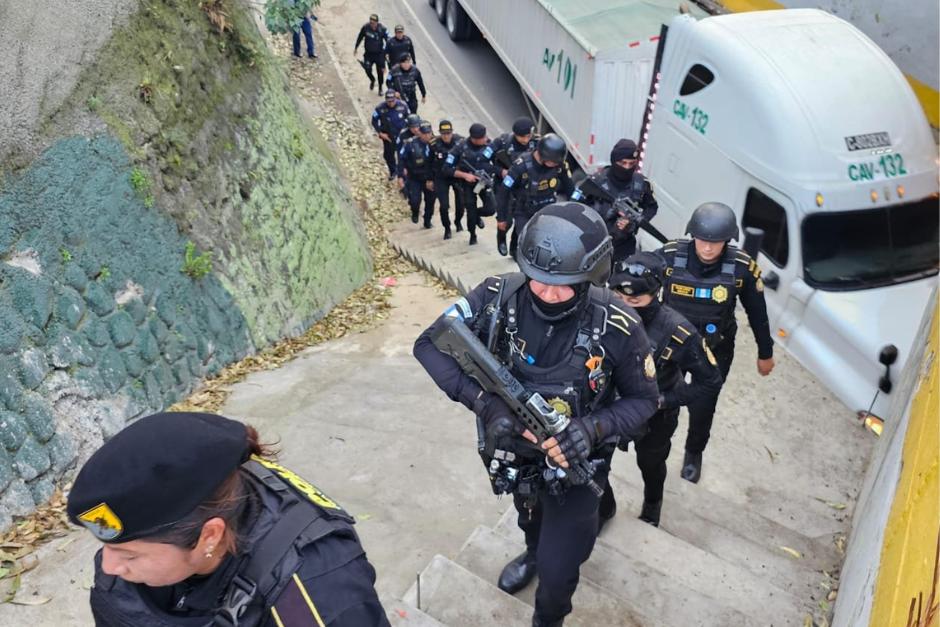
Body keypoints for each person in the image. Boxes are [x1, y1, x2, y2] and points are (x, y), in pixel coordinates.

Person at [414, 203, 659, 626]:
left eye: (562, 285)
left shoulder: (619, 326)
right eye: (538, 280)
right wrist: (485, 403)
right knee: (528, 518)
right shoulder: (497, 295)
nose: (546, 293)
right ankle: (530, 551)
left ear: (590, 277)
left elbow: (645, 401)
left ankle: (548, 616)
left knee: (560, 570)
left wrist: (591, 428)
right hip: (514, 452)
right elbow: (428, 344)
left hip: (578, 464)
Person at [66, 412, 389, 626]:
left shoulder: (316, 594)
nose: (108, 566)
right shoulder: (158, 524)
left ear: (210, 536)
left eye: (129, 555)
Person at [655, 202, 775, 483]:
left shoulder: (742, 268)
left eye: (716, 242)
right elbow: (639, 282)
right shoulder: (671, 257)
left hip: (713, 350)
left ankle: (693, 452)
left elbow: (758, 314)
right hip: (671, 347)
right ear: (692, 235)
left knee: (703, 406)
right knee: (663, 399)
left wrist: (765, 352)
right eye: (703, 240)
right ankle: (659, 445)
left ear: (728, 240)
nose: (708, 248)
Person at [602, 252, 723, 527]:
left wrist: (666, 400)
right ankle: (604, 508)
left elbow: (710, 380)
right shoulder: (604, 309)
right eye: (619, 297)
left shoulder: (678, 332)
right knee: (597, 463)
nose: (625, 306)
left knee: (651, 464)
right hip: (609, 407)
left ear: (656, 293)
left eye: (634, 300)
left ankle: (653, 504)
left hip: (655, 418)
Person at [571, 139, 658, 265]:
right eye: (622, 163)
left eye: (631, 163)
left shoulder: (641, 184)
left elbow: (652, 207)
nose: (627, 167)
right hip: (594, 244)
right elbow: (573, 207)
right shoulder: (596, 181)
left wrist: (633, 223)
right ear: (614, 160)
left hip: (624, 248)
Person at [495, 133, 574, 258]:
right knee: (528, 246)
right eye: (553, 162)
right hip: (523, 210)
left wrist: (576, 208)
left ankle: (514, 250)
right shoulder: (520, 166)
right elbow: (503, 192)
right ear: (543, 156)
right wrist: (501, 218)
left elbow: (570, 188)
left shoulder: (559, 165)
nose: (556, 165)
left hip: (547, 209)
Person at [442, 123, 498, 246]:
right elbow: (446, 169)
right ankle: (473, 234)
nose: (485, 139)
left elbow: (497, 162)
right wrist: (465, 175)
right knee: (470, 211)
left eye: (485, 137)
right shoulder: (460, 148)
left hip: (484, 182)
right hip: (468, 184)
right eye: (481, 138)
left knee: (491, 209)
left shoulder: (489, 145)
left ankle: (478, 214)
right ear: (473, 138)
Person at [429, 119, 464, 240]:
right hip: (441, 176)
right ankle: (447, 228)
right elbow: (429, 163)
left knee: (461, 203)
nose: (446, 136)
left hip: (456, 175)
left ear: (452, 133)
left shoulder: (460, 141)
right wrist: (429, 179)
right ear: (440, 133)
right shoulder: (434, 144)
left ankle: (458, 221)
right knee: (444, 206)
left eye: (448, 133)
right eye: (444, 134)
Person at [398, 122, 437, 226]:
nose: (427, 136)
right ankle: (415, 212)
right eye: (425, 133)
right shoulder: (410, 144)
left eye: (429, 133)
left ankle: (427, 220)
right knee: (415, 201)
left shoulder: (436, 144)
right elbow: (401, 159)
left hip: (431, 178)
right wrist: (400, 176)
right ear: (420, 133)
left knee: (430, 201)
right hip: (415, 177)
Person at [371, 89, 411, 180]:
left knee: (403, 156)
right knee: (388, 156)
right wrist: (380, 133)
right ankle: (393, 171)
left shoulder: (403, 106)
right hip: (388, 137)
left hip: (401, 136)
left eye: (393, 101)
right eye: (389, 101)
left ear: (395, 99)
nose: (391, 103)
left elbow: (410, 119)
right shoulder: (380, 108)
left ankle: (404, 176)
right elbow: (374, 121)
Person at [355, 14, 389, 93]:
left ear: (377, 23)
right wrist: (356, 47)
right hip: (368, 54)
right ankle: (372, 80)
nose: (372, 24)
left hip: (379, 54)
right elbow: (360, 36)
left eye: (374, 23)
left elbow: (388, 41)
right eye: (371, 23)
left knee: (380, 72)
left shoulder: (382, 29)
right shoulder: (366, 27)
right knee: (367, 69)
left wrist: (387, 53)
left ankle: (380, 87)